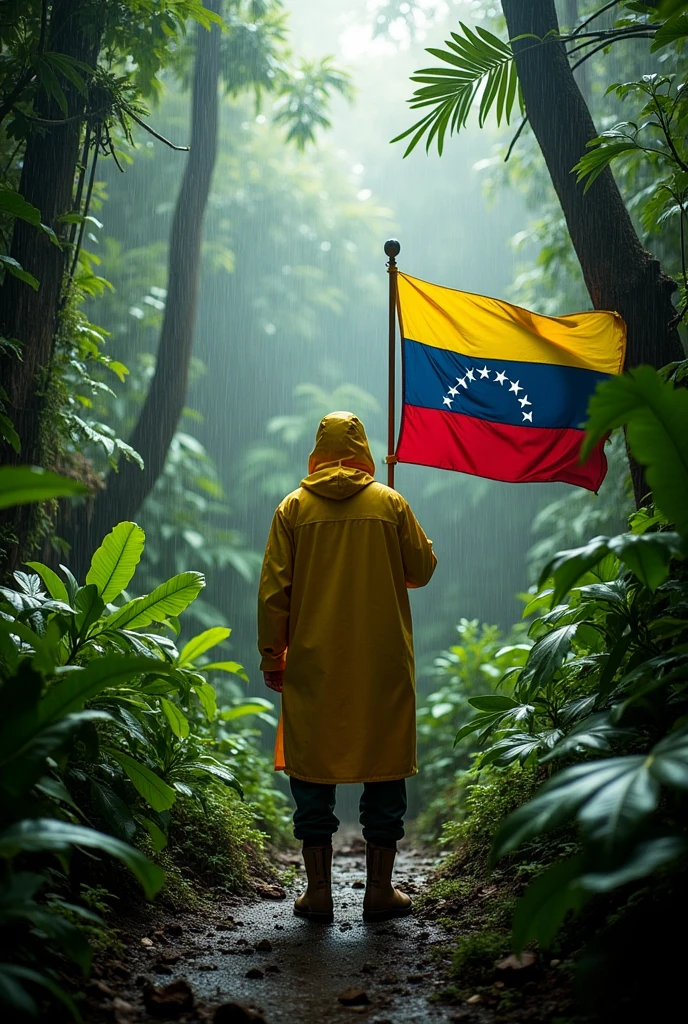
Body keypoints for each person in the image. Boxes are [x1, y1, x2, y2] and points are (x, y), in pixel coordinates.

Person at [257, 411, 436, 923]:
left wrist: (274, 656)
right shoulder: (389, 503)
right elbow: (420, 571)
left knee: (312, 769)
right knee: (384, 767)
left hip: (315, 664)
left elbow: (274, 592)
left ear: (316, 451)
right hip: (381, 664)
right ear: (362, 450)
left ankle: (318, 894)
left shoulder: (293, 509)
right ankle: (380, 891)